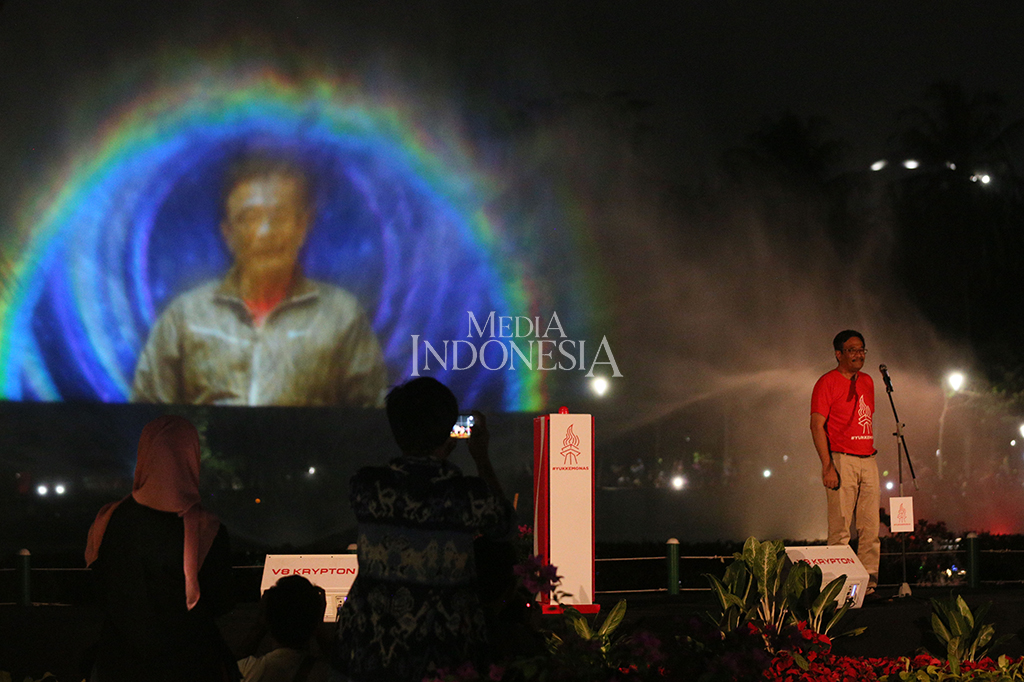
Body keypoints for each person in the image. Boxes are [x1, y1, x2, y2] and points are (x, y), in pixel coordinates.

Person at [131, 153, 388, 407]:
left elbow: (371, 422)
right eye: (250, 218)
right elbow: (146, 418)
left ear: (303, 226)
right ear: (228, 234)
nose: (265, 232)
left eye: (279, 217)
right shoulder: (185, 317)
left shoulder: (342, 316)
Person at [333, 377, 515, 682]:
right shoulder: (466, 496)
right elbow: (505, 527)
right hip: (447, 658)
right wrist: (481, 456)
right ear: (449, 432)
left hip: (372, 654)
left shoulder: (366, 487)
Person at [85, 415, 236, 681]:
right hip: (189, 668)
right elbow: (221, 599)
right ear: (192, 458)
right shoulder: (205, 529)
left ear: (145, 455)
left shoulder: (108, 520)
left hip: (118, 667)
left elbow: (99, 590)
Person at [810, 330, 880, 592]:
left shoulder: (869, 381)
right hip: (842, 459)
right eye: (852, 350)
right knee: (840, 529)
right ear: (838, 354)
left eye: (862, 349)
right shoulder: (826, 382)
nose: (859, 354)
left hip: (869, 458)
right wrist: (827, 465)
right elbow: (817, 426)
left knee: (870, 528)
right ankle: (839, 585)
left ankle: (869, 582)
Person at [236, 575, 333, 682]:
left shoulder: (247, 670)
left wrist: (261, 624)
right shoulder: (323, 674)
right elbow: (343, 667)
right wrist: (319, 627)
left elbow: (233, 664)